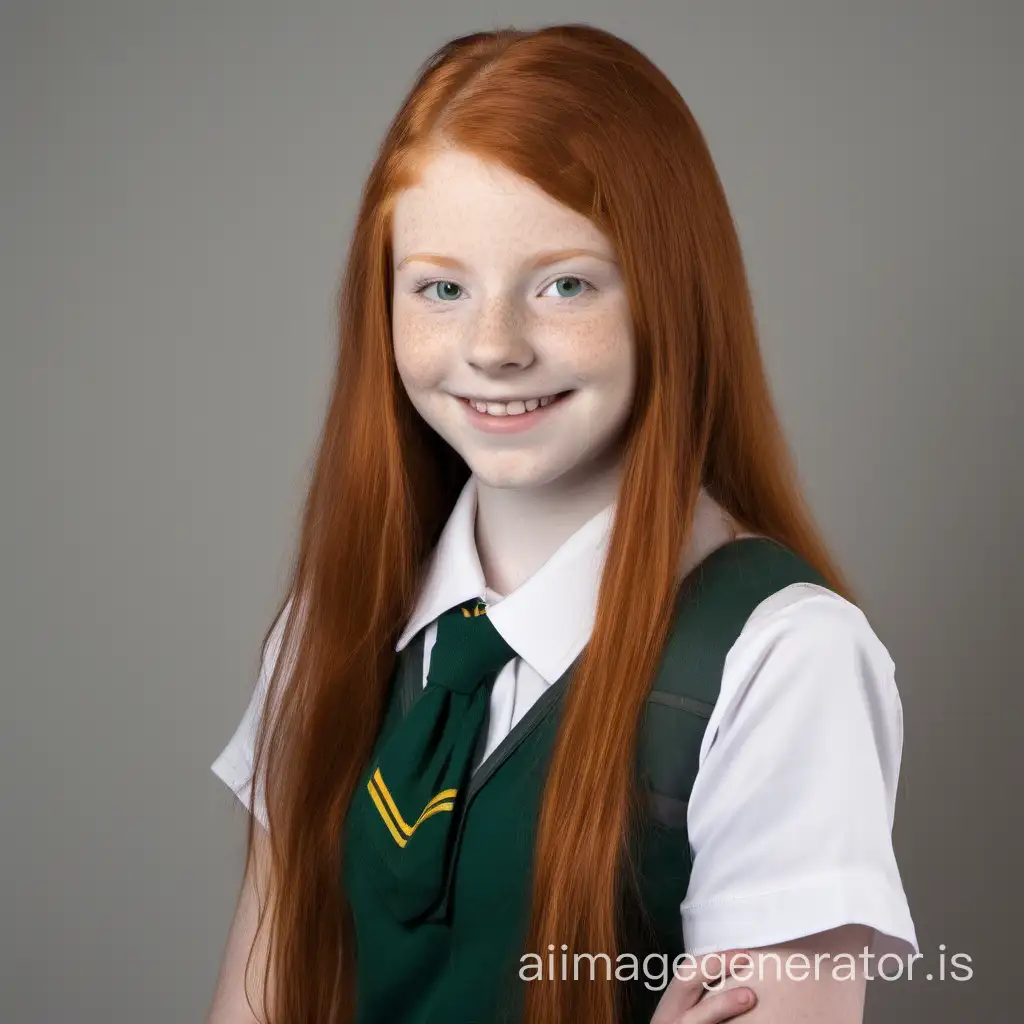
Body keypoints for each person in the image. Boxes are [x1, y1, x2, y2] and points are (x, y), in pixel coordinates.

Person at [206, 23, 917, 1024]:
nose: (492, 347)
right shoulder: (331, 621)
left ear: (670, 297)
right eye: (441, 288)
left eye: (564, 284)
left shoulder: (781, 658)